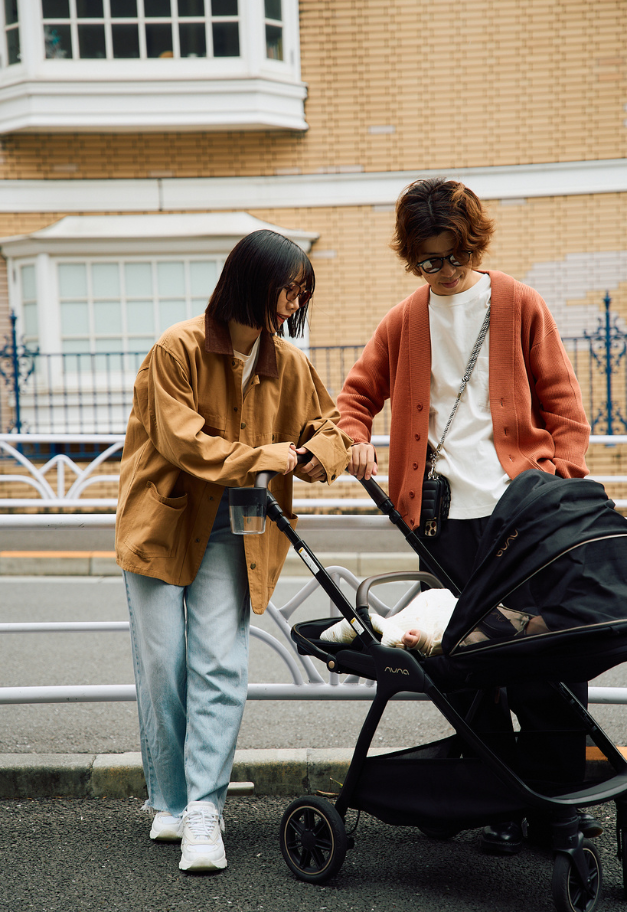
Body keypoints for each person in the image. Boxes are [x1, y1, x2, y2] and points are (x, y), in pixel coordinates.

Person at [336, 177, 600, 854]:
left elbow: (564, 408)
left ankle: (557, 812)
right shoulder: (403, 319)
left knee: (544, 663)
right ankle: (500, 805)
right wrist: (355, 437)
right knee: (467, 673)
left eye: (452, 257)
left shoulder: (516, 303)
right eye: (427, 261)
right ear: (411, 258)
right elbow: (355, 395)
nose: (443, 272)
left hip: (523, 521)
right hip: (442, 524)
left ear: (471, 244)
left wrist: (560, 484)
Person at [115, 229, 351, 873]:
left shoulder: (290, 363)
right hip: (161, 524)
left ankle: (204, 811)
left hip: (235, 529)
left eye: (302, 291)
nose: (294, 300)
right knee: (165, 668)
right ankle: (167, 799)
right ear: (251, 279)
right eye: (289, 286)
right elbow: (183, 441)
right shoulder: (177, 348)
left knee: (221, 665)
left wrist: (315, 459)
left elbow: (330, 429)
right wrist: (269, 456)